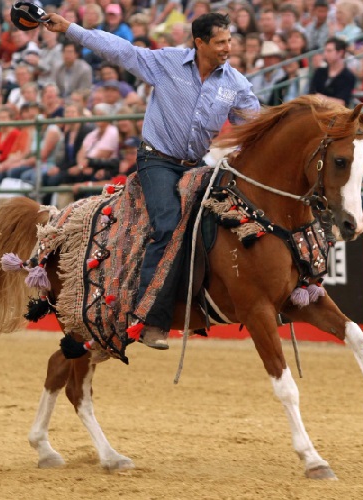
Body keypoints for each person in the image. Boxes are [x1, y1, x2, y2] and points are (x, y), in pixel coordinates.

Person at [43, 11, 261, 350]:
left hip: (196, 165)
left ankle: (204, 300)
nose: (227, 47)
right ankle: (150, 318)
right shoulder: (168, 62)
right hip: (155, 160)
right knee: (169, 223)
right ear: (199, 43)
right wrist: (71, 29)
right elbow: (120, 50)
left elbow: (258, 125)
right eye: (220, 42)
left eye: (230, 40)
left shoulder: (236, 84)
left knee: (228, 217)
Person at [308, 37, 355, 107]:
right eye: (325, 51)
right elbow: (311, 95)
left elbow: (342, 102)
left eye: (329, 51)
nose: (325, 54)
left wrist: (322, 98)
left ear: (340, 53)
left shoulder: (348, 76)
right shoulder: (319, 72)